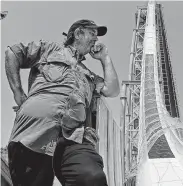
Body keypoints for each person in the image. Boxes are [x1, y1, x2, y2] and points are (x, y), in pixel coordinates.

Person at [5, 19, 120, 186]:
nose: (96, 39)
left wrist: (105, 58)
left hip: (74, 137)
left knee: (92, 178)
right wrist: (18, 93)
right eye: (92, 34)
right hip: (33, 134)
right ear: (78, 33)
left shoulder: (89, 75)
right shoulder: (49, 50)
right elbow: (13, 53)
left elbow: (112, 90)